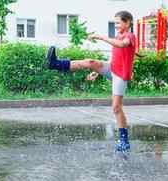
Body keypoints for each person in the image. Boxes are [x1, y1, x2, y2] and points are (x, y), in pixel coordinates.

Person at [46, 11, 136, 152]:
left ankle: (124, 141)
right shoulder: (119, 36)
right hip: (112, 68)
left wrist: (100, 36)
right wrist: (97, 71)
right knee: (90, 62)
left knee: (116, 108)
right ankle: (56, 64)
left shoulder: (129, 36)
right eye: (115, 23)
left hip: (120, 76)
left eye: (118, 22)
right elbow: (115, 58)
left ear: (128, 22)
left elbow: (121, 45)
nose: (116, 25)